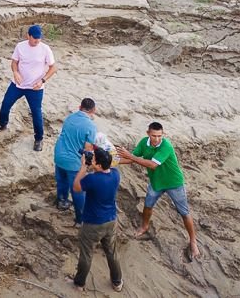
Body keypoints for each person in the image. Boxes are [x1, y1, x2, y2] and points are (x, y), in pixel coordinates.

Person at [117, 121, 201, 260]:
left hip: (174, 183)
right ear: (148, 133)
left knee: (184, 212)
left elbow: (152, 165)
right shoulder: (144, 142)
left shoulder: (166, 146)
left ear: (163, 135)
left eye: (159, 136)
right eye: (154, 135)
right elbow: (131, 159)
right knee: (148, 205)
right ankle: (144, 227)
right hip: (156, 183)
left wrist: (130, 156)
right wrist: (112, 160)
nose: (157, 139)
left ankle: (193, 241)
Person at [0, 25, 58, 152]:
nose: (37, 41)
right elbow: (14, 62)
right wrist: (15, 72)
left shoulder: (45, 49)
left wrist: (42, 80)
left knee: (36, 112)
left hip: (35, 88)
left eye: (39, 38)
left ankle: (39, 139)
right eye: (35, 38)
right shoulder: (20, 46)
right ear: (28, 36)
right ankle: (2, 124)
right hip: (18, 85)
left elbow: (53, 68)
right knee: (6, 103)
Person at [72, 147, 122, 292]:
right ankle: (117, 282)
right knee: (111, 252)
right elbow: (107, 167)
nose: (91, 160)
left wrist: (84, 166)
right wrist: (93, 163)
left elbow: (76, 187)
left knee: (87, 254)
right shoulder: (115, 174)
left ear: (99, 165)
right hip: (111, 220)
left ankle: (79, 283)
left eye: (94, 159)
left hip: (93, 223)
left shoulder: (92, 179)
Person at [53, 98, 97, 223]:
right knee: (77, 190)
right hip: (73, 162)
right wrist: (88, 165)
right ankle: (80, 219)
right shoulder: (91, 126)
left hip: (59, 155)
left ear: (79, 107)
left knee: (61, 181)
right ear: (93, 110)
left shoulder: (70, 118)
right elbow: (88, 149)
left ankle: (61, 202)